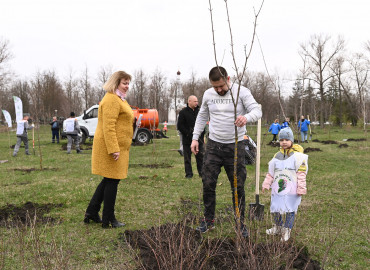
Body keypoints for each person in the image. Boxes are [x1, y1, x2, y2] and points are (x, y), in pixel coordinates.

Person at [191, 66, 262, 237]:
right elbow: (202, 116)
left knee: (237, 186)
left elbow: (257, 110)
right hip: (214, 146)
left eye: (221, 86)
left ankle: (240, 223)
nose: (218, 90)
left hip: (235, 146)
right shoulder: (208, 94)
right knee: (208, 183)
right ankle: (208, 221)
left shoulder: (241, 92)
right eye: (215, 87)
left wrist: (246, 117)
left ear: (228, 79)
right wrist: (195, 137)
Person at [84, 71, 134, 228]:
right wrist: (114, 148)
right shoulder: (112, 99)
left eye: (128, 83)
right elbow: (109, 126)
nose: (127, 86)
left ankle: (91, 212)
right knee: (112, 180)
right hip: (112, 147)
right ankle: (108, 219)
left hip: (118, 147)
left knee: (109, 179)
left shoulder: (118, 99)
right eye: (124, 83)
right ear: (116, 83)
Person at [262, 127, 308, 241]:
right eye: (281, 140)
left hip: (292, 189)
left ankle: (287, 229)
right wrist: (266, 183)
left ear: (291, 140)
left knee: (289, 209)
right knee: (275, 208)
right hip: (278, 188)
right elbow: (271, 173)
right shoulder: (276, 156)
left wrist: (301, 188)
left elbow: (301, 174)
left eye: (286, 140)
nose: (284, 142)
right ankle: (277, 226)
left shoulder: (298, 156)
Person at [177, 95, 204, 178]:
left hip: (199, 139)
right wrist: (188, 134)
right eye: (195, 101)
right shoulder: (183, 112)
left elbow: (203, 124)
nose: (197, 103)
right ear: (189, 101)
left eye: (197, 101)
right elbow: (180, 126)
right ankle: (189, 174)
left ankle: (201, 173)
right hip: (187, 139)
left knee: (200, 157)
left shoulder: (200, 111)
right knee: (187, 158)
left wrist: (201, 134)